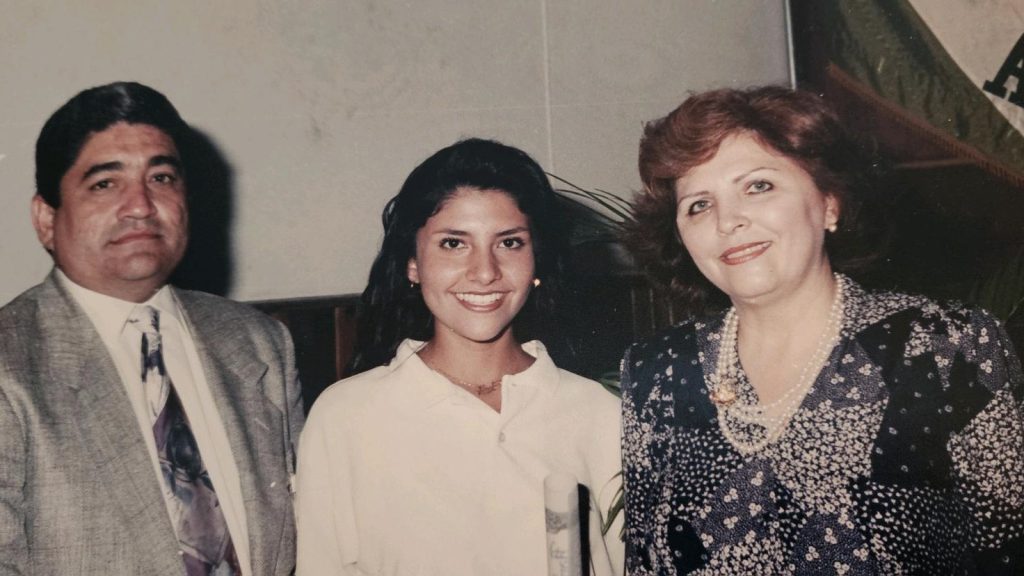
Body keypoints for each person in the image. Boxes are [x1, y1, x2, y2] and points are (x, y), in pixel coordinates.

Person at [619, 86, 1024, 575]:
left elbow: (1008, 551)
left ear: (830, 203)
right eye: (699, 205)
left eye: (758, 186)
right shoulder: (655, 372)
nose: (728, 221)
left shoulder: (945, 344)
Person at [0, 82, 304, 575]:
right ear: (45, 219)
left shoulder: (259, 343)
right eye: (104, 184)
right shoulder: (12, 364)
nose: (140, 205)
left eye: (161, 177)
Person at [295, 138, 624, 575]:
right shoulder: (346, 418)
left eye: (509, 243)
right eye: (453, 244)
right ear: (413, 262)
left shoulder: (601, 413)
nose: (485, 272)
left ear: (537, 259)